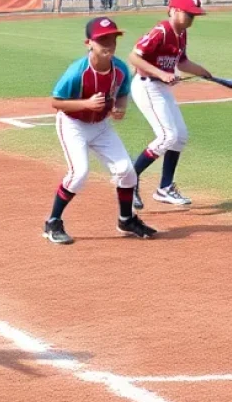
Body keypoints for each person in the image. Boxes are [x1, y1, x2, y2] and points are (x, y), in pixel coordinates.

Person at [43, 16, 155, 245]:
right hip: (73, 124)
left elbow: (123, 94)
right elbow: (56, 102)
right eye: (102, 39)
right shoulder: (77, 72)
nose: (109, 44)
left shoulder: (120, 69)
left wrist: (120, 108)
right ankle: (52, 222)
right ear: (89, 43)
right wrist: (86, 104)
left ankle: (126, 220)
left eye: (112, 39)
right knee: (79, 174)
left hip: (101, 126)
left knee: (127, 171)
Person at [129, 0, 212, 210]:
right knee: (168, 136)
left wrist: (203, 72)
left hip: (160, 87)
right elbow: (134, 58)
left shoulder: (181, 33)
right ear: (174, 11)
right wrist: (163, 74)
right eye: (188, 14)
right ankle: (129, 180)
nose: (191, 19)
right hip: (146, 85)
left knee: (180, 137)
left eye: (194, 16)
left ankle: (164, 188)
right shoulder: (161, 31)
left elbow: (182, 62)